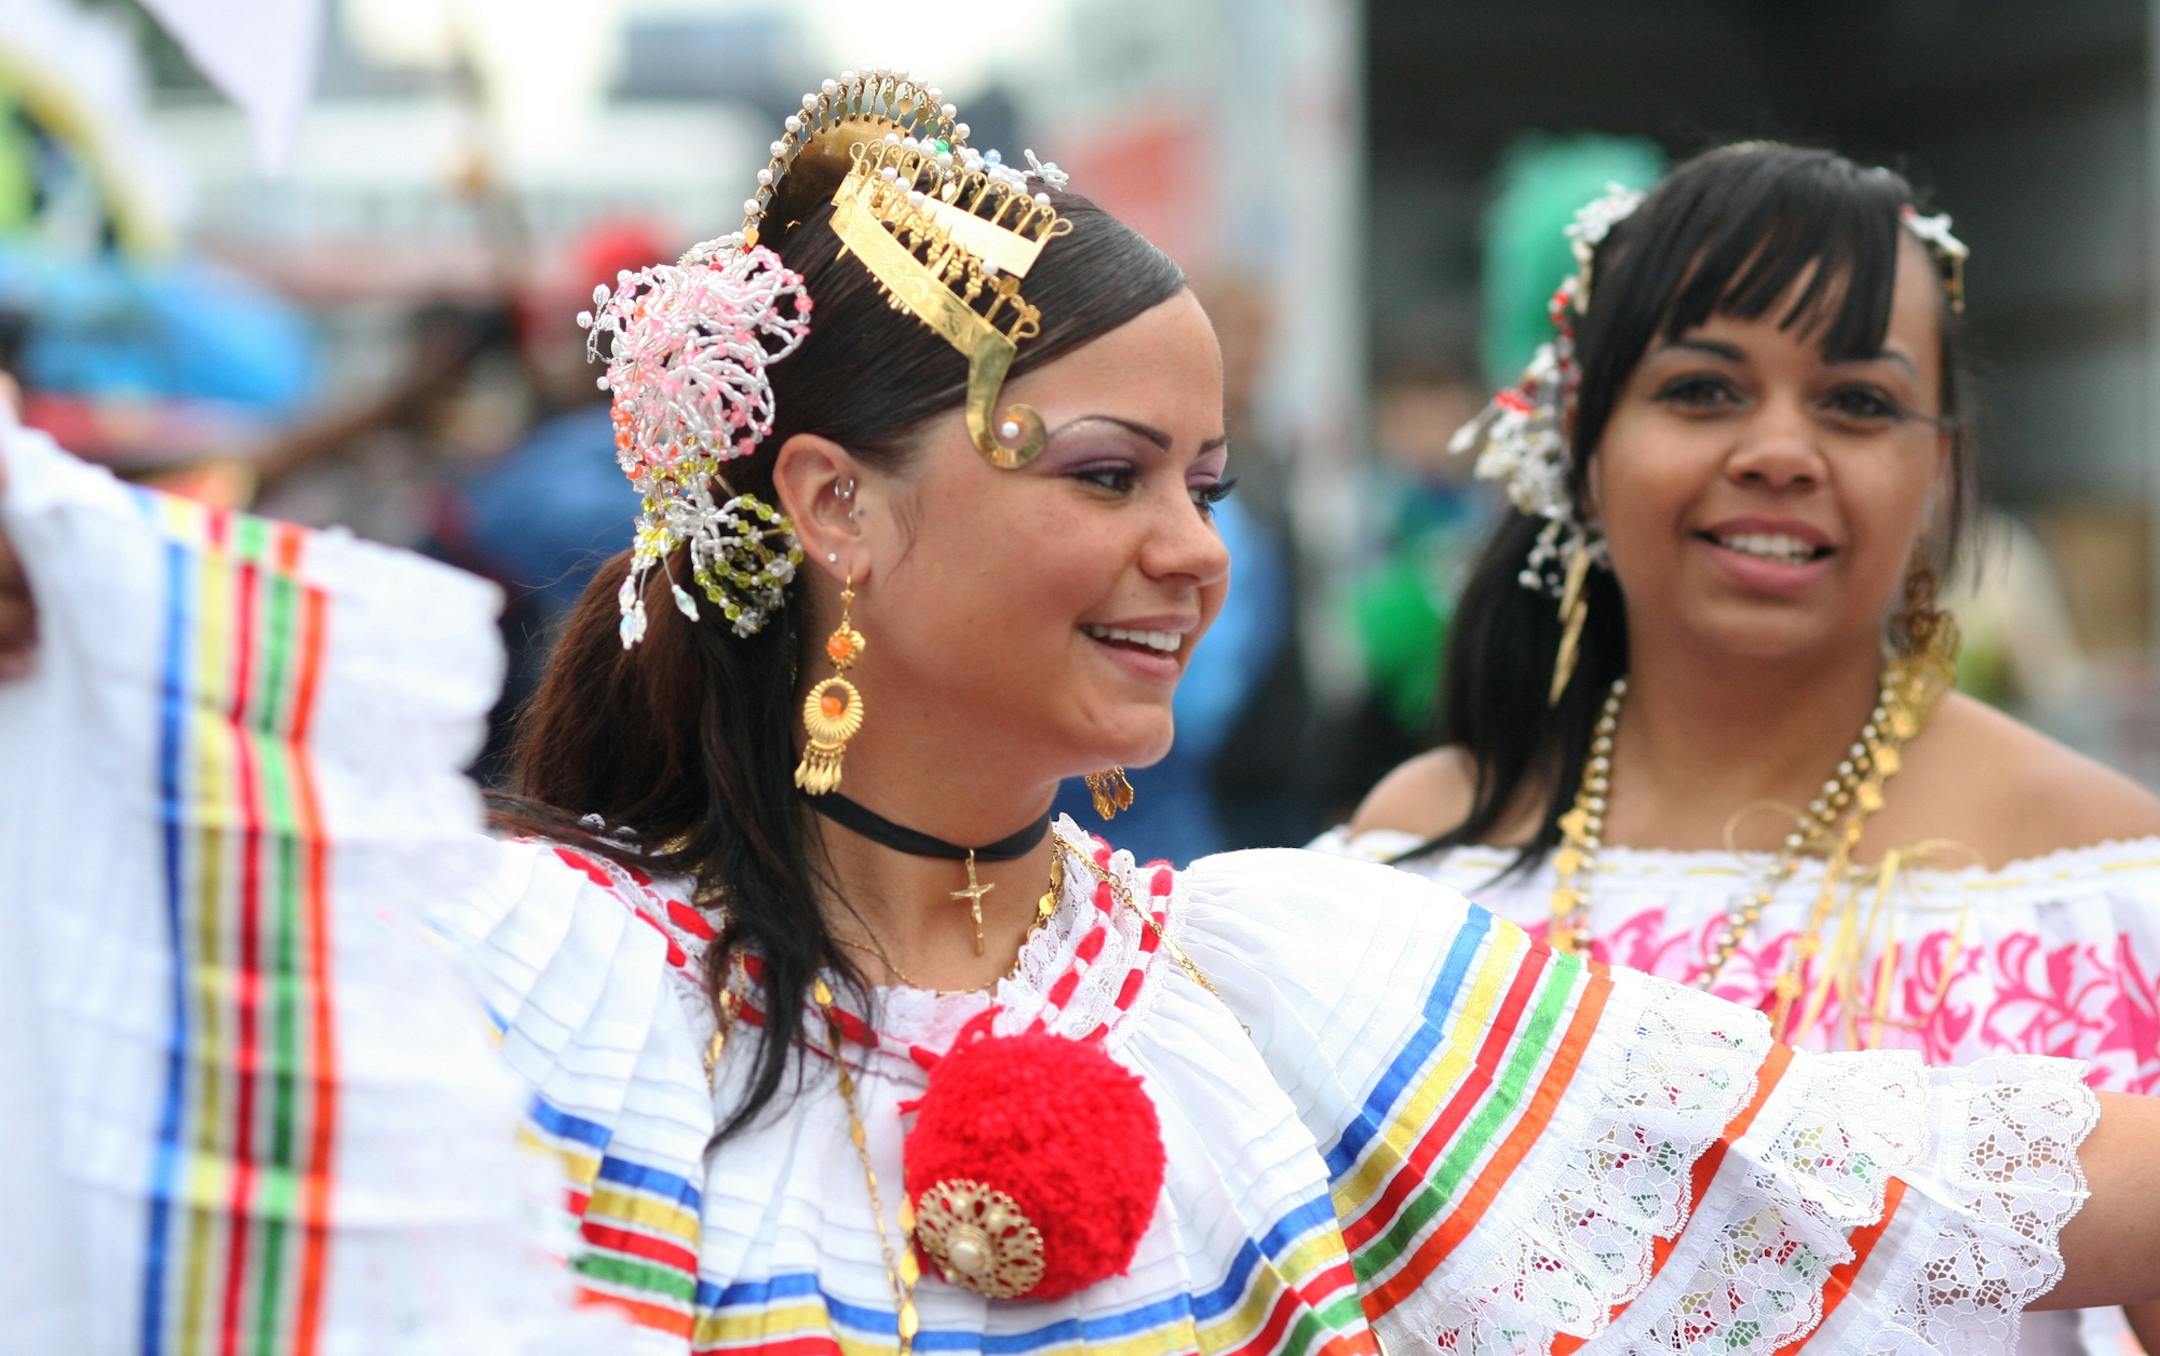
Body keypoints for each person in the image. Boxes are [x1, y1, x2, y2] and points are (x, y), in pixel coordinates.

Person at [5, 84, 2160, 1356]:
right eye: (1108, 474)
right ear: (833, 505)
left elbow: (1921, 1176)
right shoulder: (560, 985)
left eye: (1207, 491)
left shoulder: (1281, 977)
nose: (1195, 553)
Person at [1334, 143, 2160, 1352]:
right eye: (1703, 390)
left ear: (1938, 460)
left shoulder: (2107, 892)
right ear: (1582, 438)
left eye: (1859, 402)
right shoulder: (1411, 866)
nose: (1781, 450)